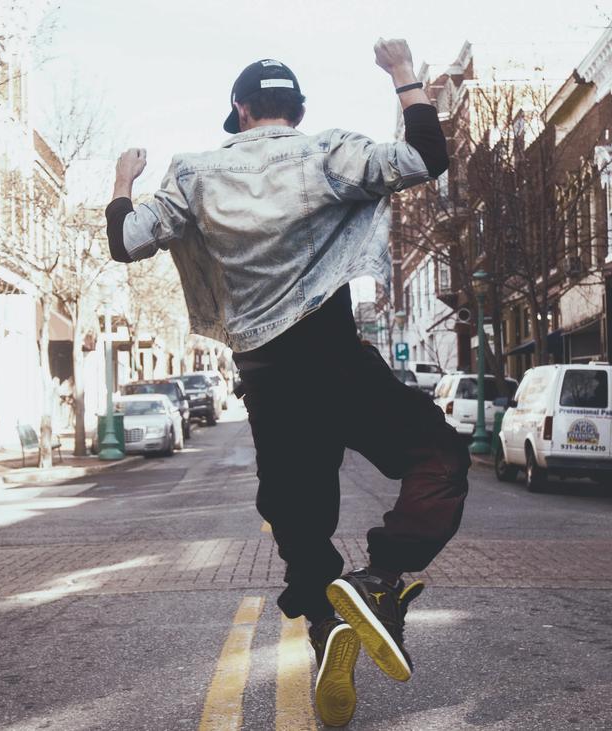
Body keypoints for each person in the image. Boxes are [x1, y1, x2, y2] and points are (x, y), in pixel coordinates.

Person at [106, 39, 468, 726]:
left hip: (268, 381)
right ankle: (380, 578)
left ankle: (328, 626)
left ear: (240, 111)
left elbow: (126, 241)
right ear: (296, 111)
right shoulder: (329, 152)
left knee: (301, 527)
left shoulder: (194, 174)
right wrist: (402, 74)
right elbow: (426, 156)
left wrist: (124, 180)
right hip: (335, 359)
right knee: (440, 458)